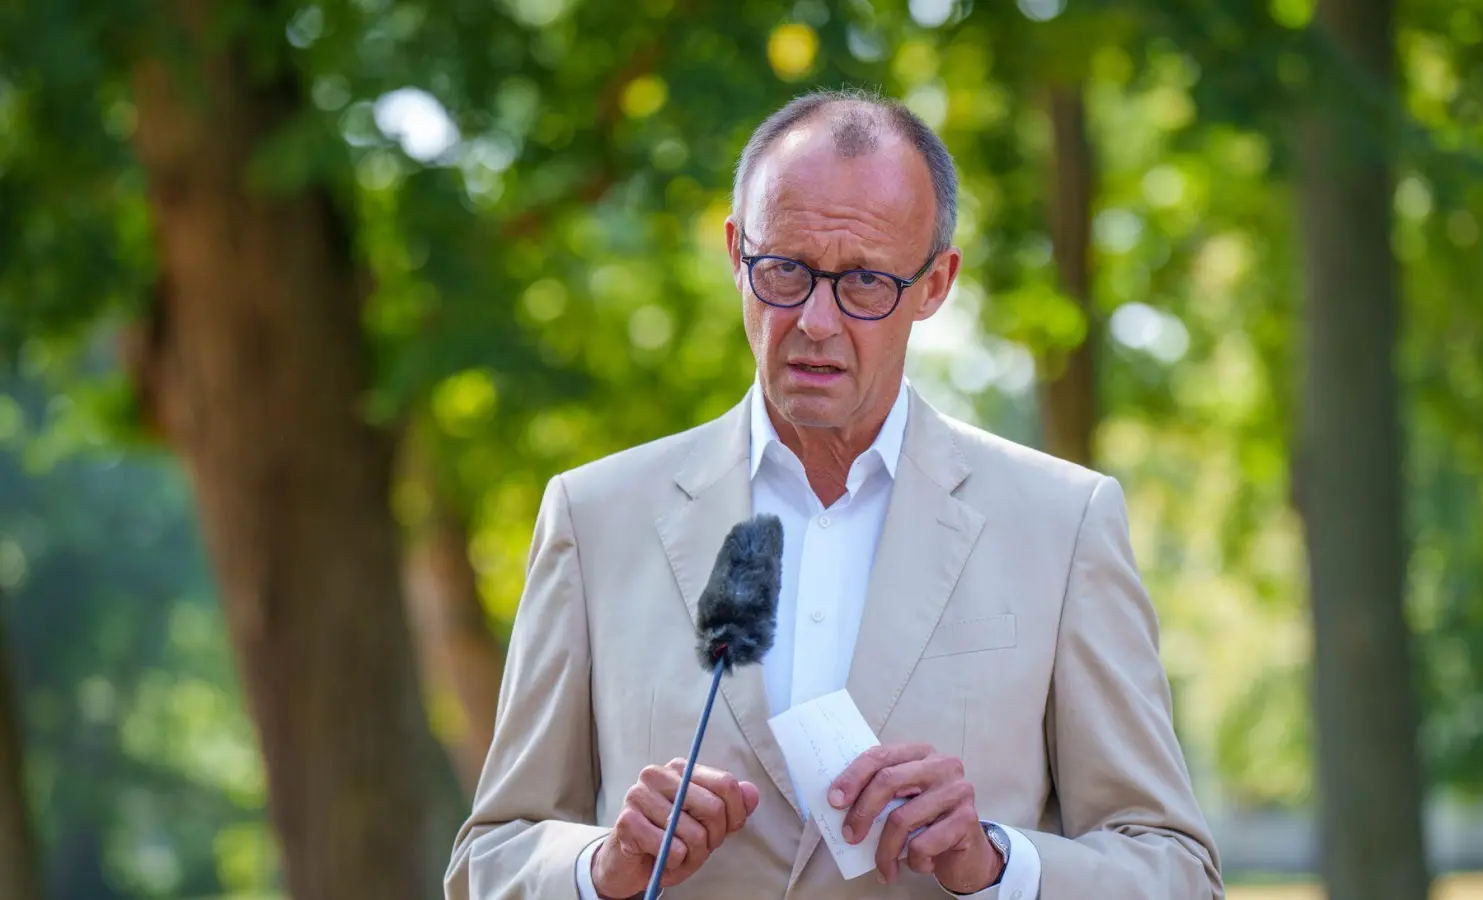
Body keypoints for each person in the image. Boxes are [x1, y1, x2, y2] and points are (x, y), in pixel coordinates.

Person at [444, 88, 1225, 900]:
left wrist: (997, 864)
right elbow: (490, 860)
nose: (815, 320)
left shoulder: (1064, 525)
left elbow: (1175, 871)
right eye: (783, 271)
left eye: (862, 283)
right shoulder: (594, 517)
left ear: (935, 284)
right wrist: (599, 870)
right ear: (733, 252)